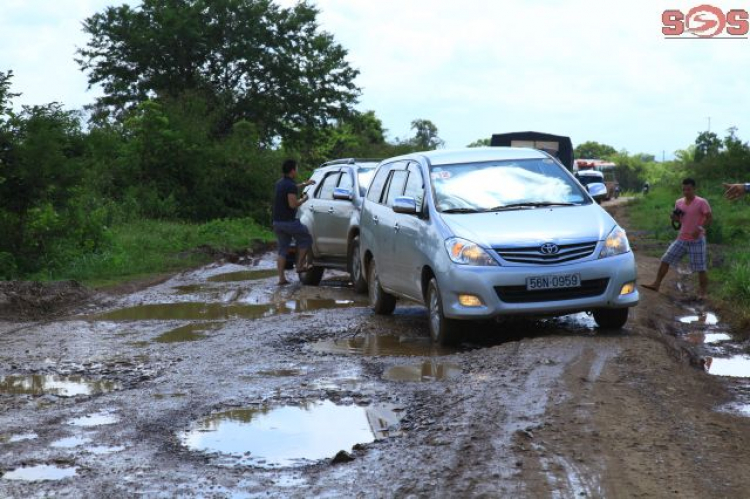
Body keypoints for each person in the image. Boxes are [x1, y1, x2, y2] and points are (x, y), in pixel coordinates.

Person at [642, 178, 712, 297]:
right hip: (682, 238)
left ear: (694, 189)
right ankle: (656, 284)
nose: (686, 192)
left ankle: (702, 292)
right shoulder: (679, 202)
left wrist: (700, 228)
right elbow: (680, 220)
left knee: (700, 268)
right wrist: (674, 219)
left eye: (688, 189)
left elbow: (709, 217)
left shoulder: (701, 202)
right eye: (684, 189)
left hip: (697, 240)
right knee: (665, 259)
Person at [272, 159, 315, 285]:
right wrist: (304, 199)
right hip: (288, 222)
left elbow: (291, 189)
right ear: (292, 170)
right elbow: (293, 205)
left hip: (277, 222)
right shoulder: (290, 185)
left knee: (282, 249)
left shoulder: (280, 183)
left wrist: (304, 184)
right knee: (306, 239)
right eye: (296, 168)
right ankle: (300, 266)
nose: (297, 170)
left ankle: (281, 279)